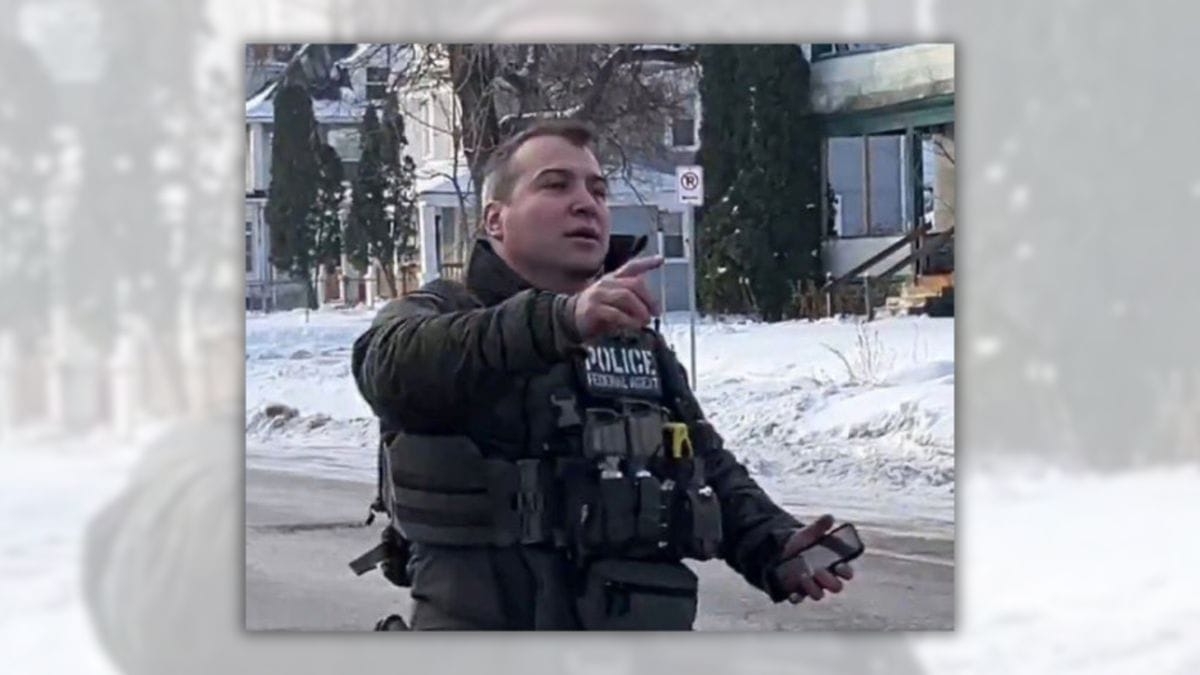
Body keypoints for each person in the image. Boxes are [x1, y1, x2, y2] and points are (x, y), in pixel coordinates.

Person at [350, 119, 854, 630]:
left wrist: (775, 543)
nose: (585, 203)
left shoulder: (633, 341)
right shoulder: (441, 311)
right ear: (496, 221)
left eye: (597, 190)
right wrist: (559, 321)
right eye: (555, 184)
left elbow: (701, 462)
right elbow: (387, 367)